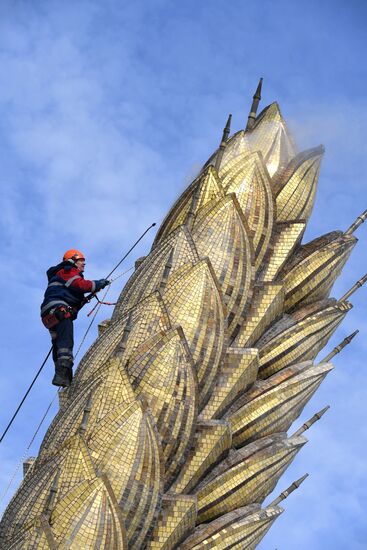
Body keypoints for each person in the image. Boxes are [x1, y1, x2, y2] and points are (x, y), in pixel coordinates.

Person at [40, 249, 110, 388]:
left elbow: (74, 293)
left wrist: (82, 301)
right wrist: (98, 284)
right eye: (81, 261)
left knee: (59, 343)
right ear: (73, 261)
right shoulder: (67, 271)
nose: (84, 265)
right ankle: (63, 372)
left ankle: (64, 377)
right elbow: (81, 285)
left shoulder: (63, 275)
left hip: (50, 313)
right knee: (66, 340)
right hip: (58, 309)